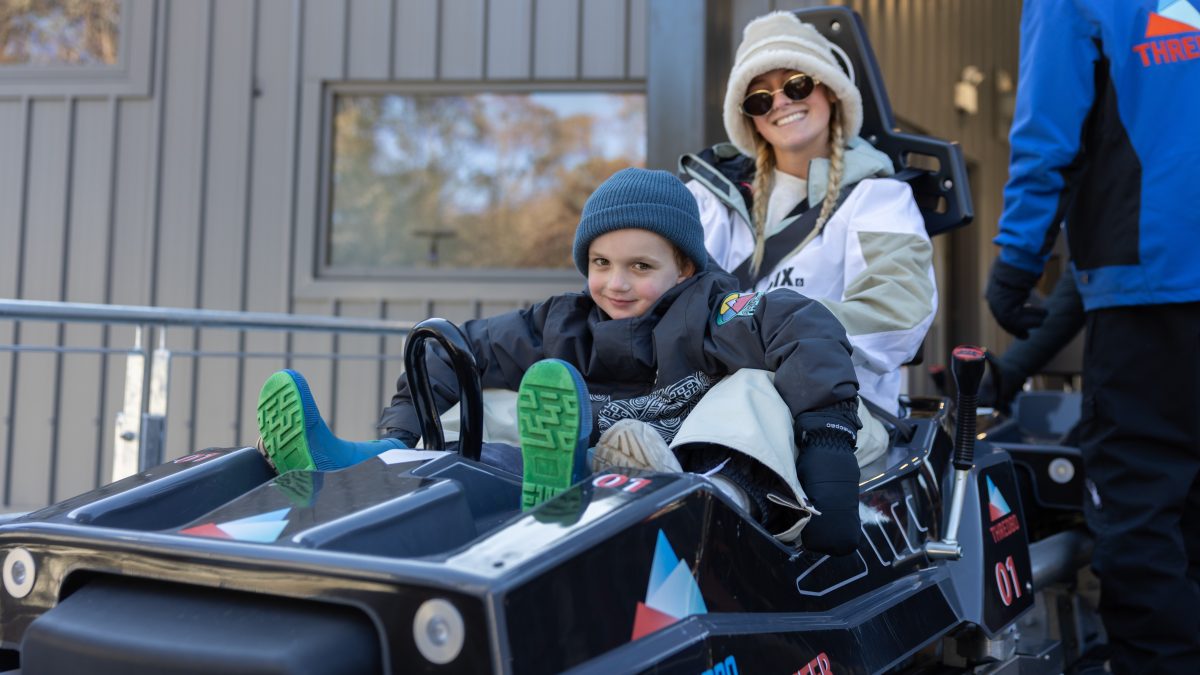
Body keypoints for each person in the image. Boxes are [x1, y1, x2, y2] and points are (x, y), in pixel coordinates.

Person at [262, 168, 865, 555]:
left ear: (684, 267)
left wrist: (829, 447)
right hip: (581, 461)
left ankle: (685, 490)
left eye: (641, 267)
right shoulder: (563, 322)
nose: (616, 284)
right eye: (601, 263)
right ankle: (369, 464)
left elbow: (802, 325)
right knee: (491, 407)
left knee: (754, 390)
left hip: (690, 475)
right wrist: (402, 426)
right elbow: (463, 350)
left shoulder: (714, 311)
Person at [986, 1, 1200, 672]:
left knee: (1141, 512)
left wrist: (1017, 261)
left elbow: (1050, 127)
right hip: (1154, 274)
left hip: (1152, 284)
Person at [679, 10, 937, 468]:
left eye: (796, 84)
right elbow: (652, 289)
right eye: (759, 99)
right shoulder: (708, 197)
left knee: (750, 402)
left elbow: (899, 312)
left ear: (830, 90)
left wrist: (768, 333)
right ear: (750, 120)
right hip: (705, 397)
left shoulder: (878, 197)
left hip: (839, 410)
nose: (780, 102)